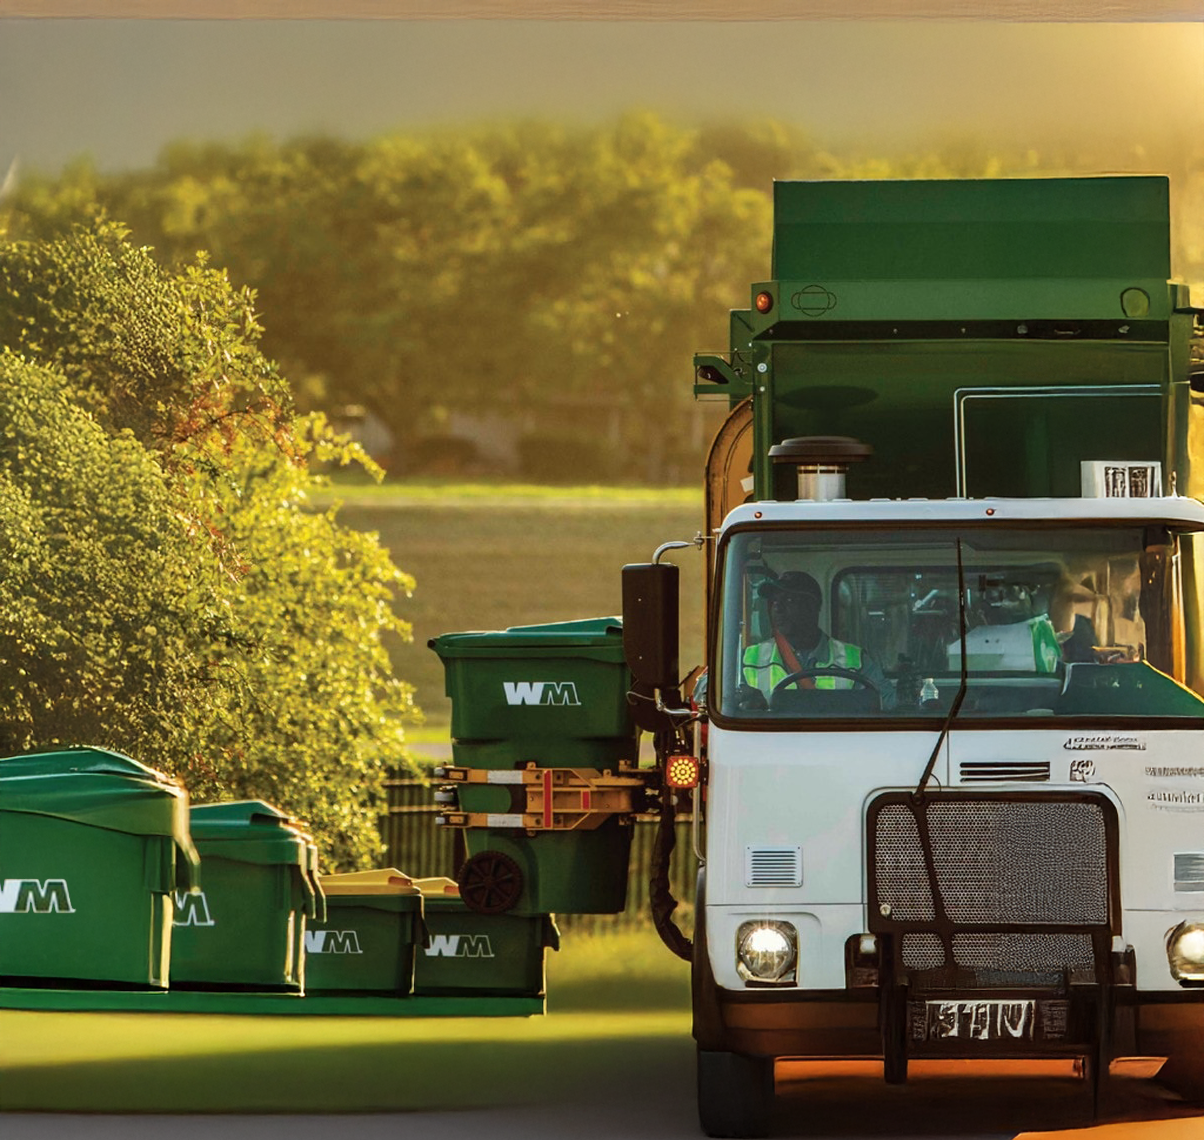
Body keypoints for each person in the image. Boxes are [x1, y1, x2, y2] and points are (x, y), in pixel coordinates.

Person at [742, 571, 893, 708]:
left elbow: (886, 706)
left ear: (813, 606)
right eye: (774, 601)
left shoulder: (856, 660)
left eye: (788, 600)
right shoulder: (748, 659)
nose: (778, 609)